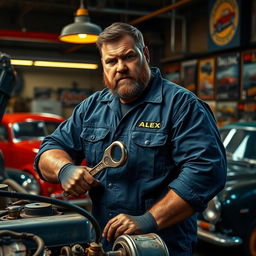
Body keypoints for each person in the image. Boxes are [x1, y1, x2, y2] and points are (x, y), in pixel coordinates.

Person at [34, 22, 227, 255]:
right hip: (104, 244)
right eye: (111, 61)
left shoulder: (182, 106)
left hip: (162, 246)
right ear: (103, 66)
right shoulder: (91, 108)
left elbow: (206, 171)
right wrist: (64, 169)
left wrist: (149, 220)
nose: (121, 67)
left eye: (128, 57)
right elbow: (50, 148)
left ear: (145, 54)